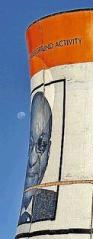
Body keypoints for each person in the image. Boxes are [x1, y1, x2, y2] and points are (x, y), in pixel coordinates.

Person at [18, 92, 57, 224]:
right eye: (30, 145)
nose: (32, 160)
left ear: (49, 151)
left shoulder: (50, 206)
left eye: (41, 145)